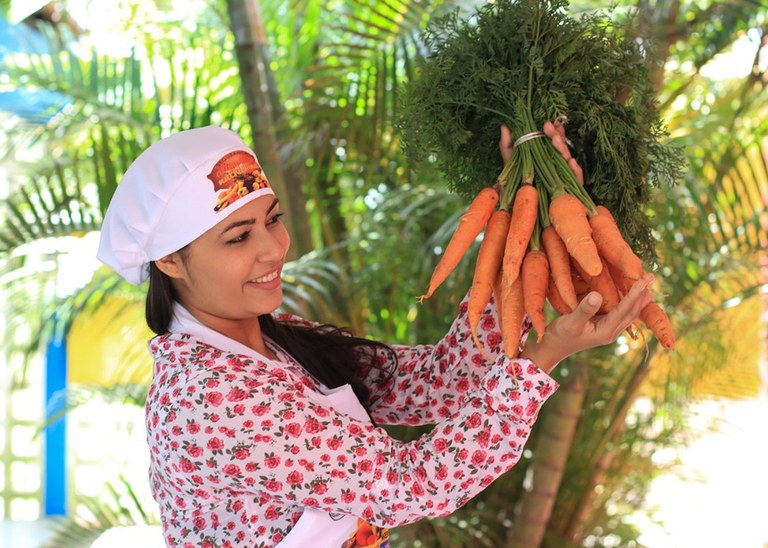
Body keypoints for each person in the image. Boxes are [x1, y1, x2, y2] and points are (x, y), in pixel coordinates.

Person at [96, 125, 654, 548]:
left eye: (273, 218)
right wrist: (545, 354)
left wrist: (525, 214)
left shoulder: (276, 344)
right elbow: (417, 482)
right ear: (169, 259)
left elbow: (439, 383)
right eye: (239, 237)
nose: (273, 249)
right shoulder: (209, 398)